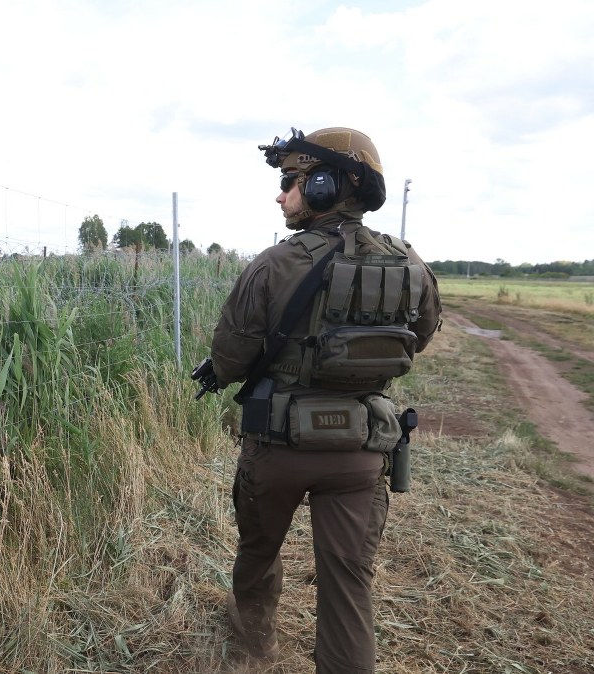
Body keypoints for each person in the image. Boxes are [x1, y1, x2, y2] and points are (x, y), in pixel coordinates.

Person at [204, 127, 442, 671]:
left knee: (258, 555)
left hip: (277, 447)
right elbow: (418, 339)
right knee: (350, 582)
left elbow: (230, 362)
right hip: (360, 452)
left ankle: (253, 649)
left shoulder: (272, 264)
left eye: (292, 180)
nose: (281, 192)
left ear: (327, 186)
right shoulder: (410, 263)